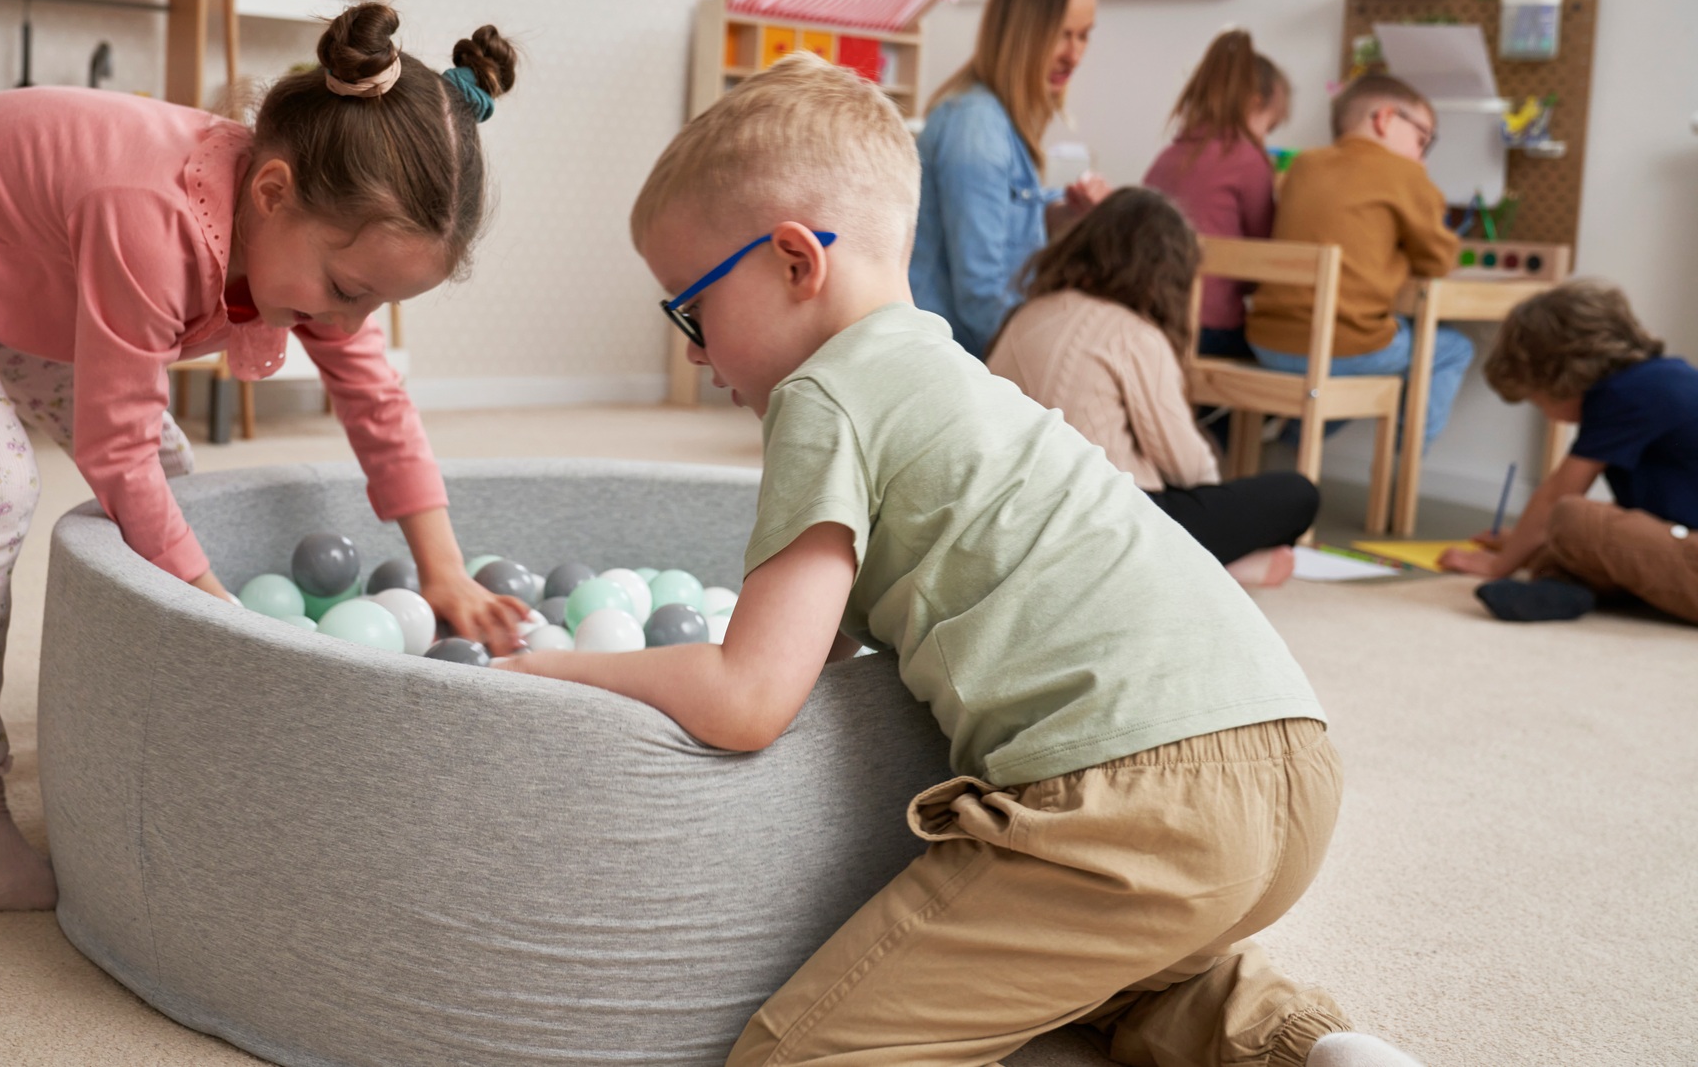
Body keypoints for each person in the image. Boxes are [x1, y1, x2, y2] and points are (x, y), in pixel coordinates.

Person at [498, 54, 1422, 1067]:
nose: (691, 349)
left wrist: (553, 667)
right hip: (1284, 762)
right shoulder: (954, 377)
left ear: (795, 262)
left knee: (795, 1056)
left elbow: (748, 694)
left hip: (1130, 797)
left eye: (690, 309)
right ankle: (1308, 1048)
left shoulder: (823, 395)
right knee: (1118, 973)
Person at [0, 4, 531, 912]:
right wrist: (225, 618)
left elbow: (375, 399)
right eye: (345, 291)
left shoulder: (317, 232)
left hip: (19, 271)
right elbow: (115, 447)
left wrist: (444, 567)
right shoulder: (148, 213)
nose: (345, 324)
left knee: (174, 489)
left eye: (372, 304)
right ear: (269, 193)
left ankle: (137, 700)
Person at [989, 187, 1318, 586]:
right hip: (1107, 526)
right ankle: (1217, 570)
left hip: (1017, 520)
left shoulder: (1026, 315)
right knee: (1298, 494)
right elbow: (1188, 467)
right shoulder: (1132, 333)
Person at [1442, 281, 1698, 625]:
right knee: (1585, 530)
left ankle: (1562, 582)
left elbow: (1558, 495)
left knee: (1572, 518)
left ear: (1562, 374)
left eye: (1539, 399)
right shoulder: (1658, 380)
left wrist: (1497, 566)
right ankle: (1562, 589)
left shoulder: (1628, 394)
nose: (1545, 412)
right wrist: (1520, 541)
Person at [1245, 73, 1468, 450]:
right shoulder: (1405, 173)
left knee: (1362, 346)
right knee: (1453, 348)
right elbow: (1439, 261)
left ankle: (1294, 446)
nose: (1421, 156)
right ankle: (1406, 461)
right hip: (1342, 349)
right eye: (1422, 140)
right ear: (1384, 119)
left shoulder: (1302, 165)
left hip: (1268, 342)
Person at [909, 0, 1109, 357]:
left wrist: (1059, 212)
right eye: (1061, 34)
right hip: (947, 356)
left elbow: (1004, 216)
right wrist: (1054, 356)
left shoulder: (998, 121)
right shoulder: (977, 128)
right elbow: (980, 298)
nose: (1074, 55)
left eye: (1083, 35)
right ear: (1024, 32)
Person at [1144, 28, 1292, 359]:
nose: (1265, 139)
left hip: (1152, 320)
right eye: (1269, 127)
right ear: (1254, 105)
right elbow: (1262, 260)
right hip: (1210, 330)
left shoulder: (1168, 156)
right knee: (1279, 359)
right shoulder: (1248, 160)